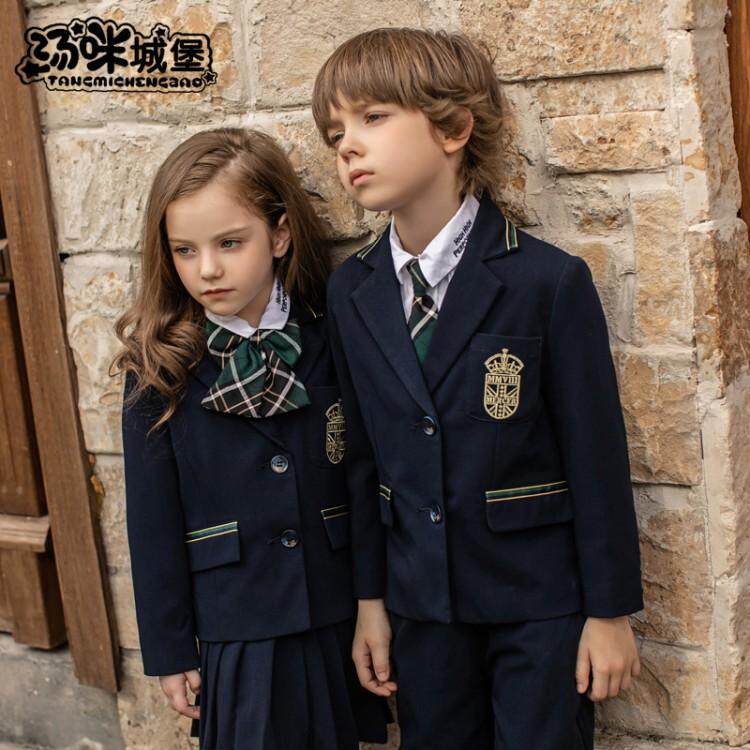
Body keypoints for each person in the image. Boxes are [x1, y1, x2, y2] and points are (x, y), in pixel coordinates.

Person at [311, 28, 643, 749]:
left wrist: (610, 613)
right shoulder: (352, 292)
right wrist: (371, 601)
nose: (347, 147)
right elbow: (361, 461)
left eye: (372, 118)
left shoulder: (546, 281)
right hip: (421, 609)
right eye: (335, 133)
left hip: (539, 608)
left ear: (454, 128)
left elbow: (596, 456)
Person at [112, 127, 390, 750]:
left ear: (280, 235)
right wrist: (169, 649)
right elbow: (151, 522)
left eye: (230, 243)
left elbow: (365, 476)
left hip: (332, 610)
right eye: (184, 251)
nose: (207, 269)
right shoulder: (158, 367)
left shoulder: (331, 335)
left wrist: (371, 600)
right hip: (234, 626)